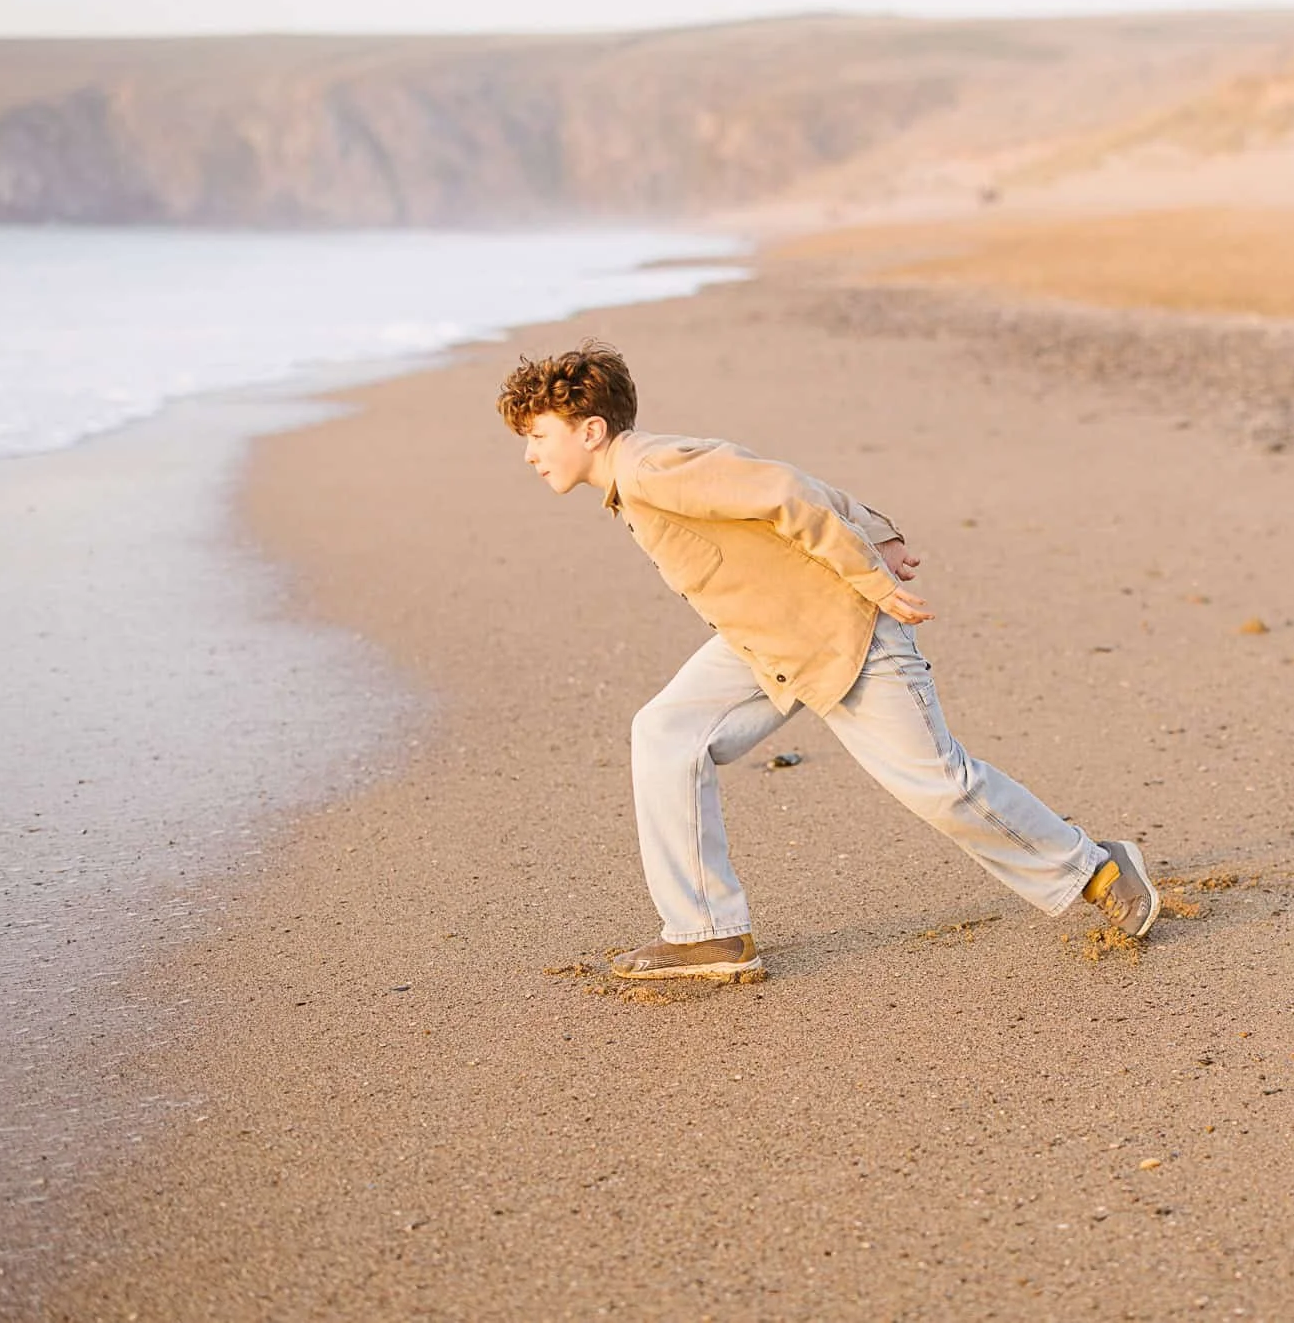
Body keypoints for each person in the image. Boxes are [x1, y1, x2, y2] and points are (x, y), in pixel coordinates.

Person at [497, 340, 1160, 978]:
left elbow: (784, 490)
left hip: (847, 631)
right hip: (768, 642)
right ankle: (708, 933)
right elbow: (778, 480)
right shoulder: (638, 476)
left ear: (589, 430)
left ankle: (1098, 869)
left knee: (939, 784)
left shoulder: (647, 467)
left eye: (538, 435)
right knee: (667, 731)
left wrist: (874, 575)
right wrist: (880, 530)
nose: (529, 454)